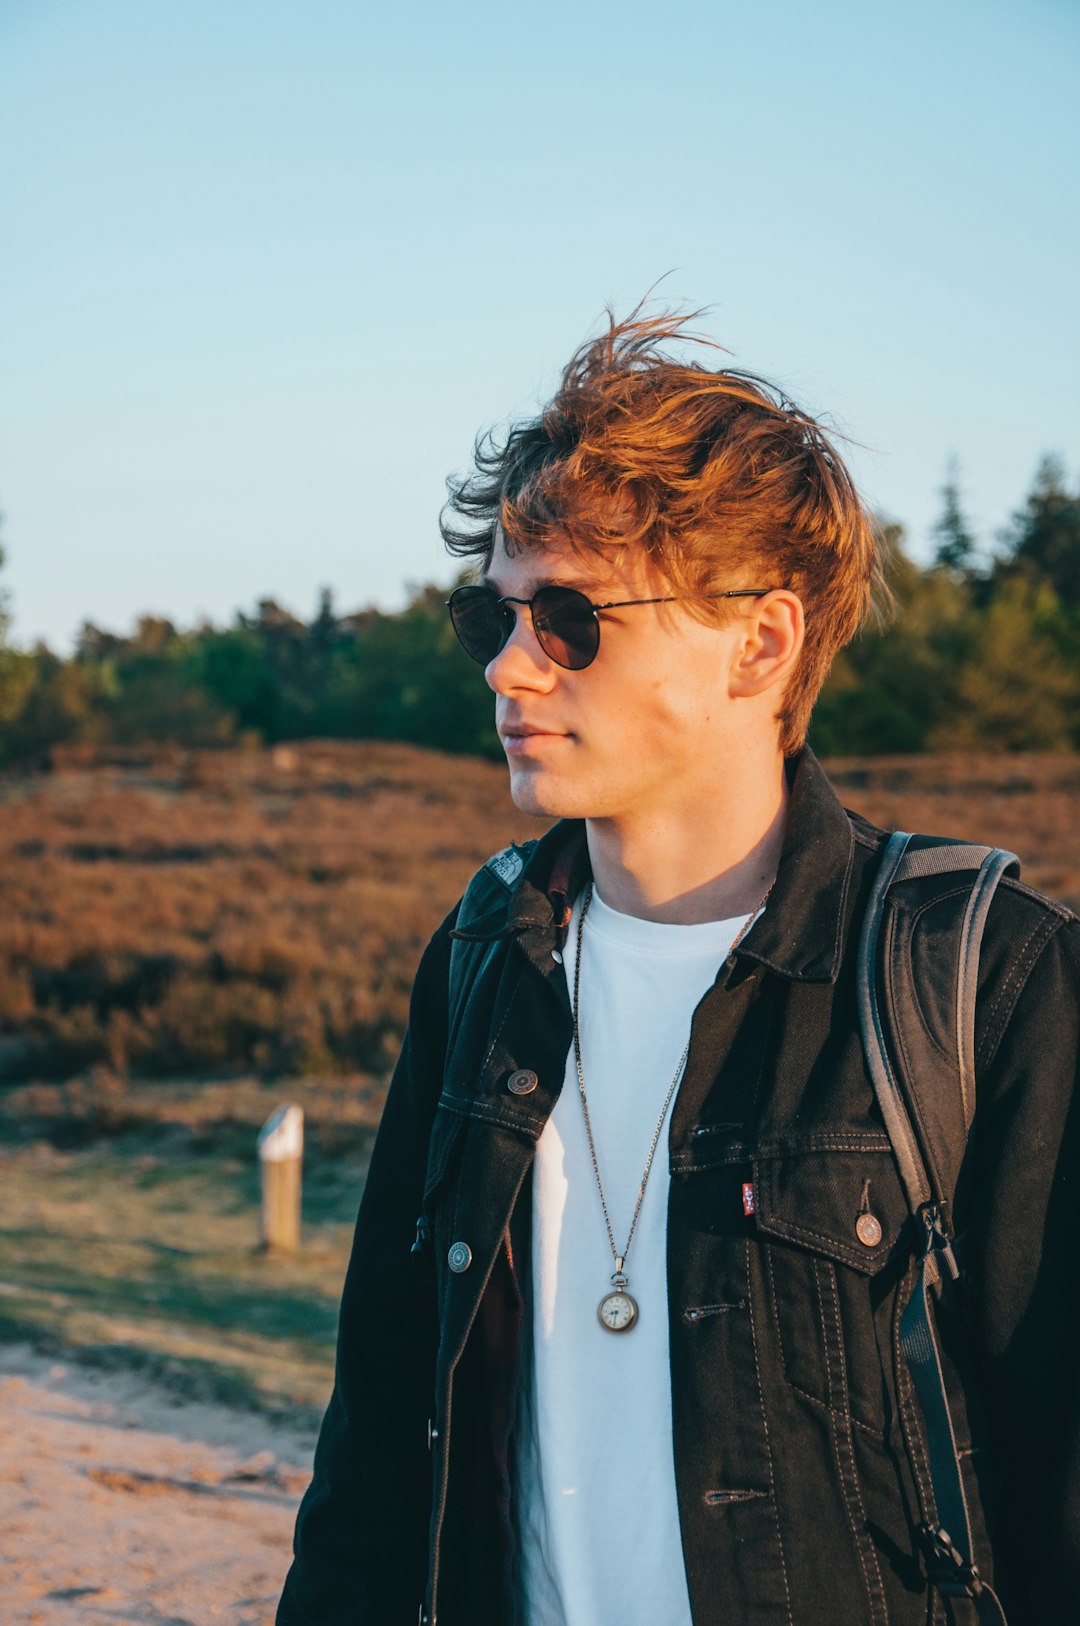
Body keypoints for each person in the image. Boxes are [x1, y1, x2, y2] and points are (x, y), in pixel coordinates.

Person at [277, 309, 1079, 1626]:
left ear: (760, 643)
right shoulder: (486, 957)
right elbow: (377, 1438)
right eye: (494, 611)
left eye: (573, 618)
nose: (510, 665)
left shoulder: (985, 984)